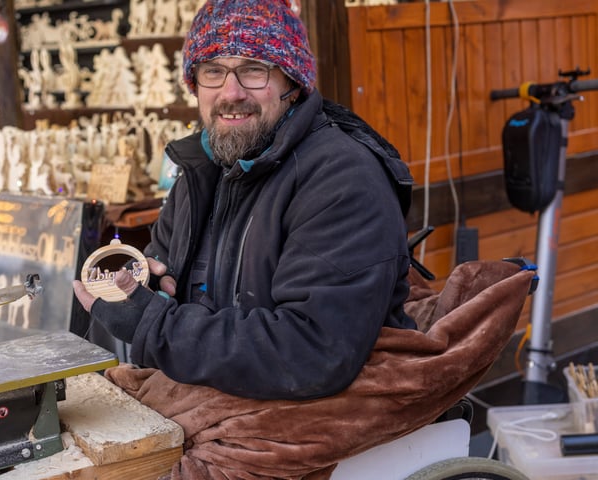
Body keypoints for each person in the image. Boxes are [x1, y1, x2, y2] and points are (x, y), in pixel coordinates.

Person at [73, 0, 416, 401]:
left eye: (254, 69)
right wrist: (150, 289)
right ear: (195, 84)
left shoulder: (342, 179)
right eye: (213, 71)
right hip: (225, 398)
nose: (230, 93)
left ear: (292, 84)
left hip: (324, 418)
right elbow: (176, 283)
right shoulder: (199, 171)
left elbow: (311, 351)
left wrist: (159, 326)